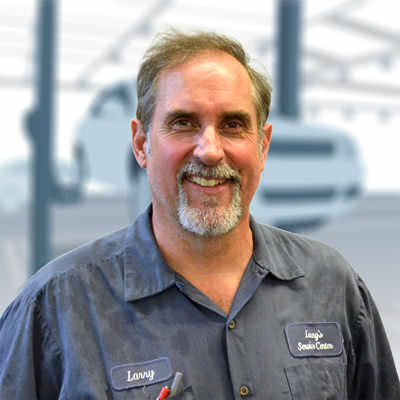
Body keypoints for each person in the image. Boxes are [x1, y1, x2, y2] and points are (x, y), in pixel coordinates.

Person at [0, 29, 399, 400]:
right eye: (183, 123)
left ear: (263, 145)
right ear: (141, 144)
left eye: (233, 125)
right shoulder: (56, 308)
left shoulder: (331, 286)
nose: (209, 149)